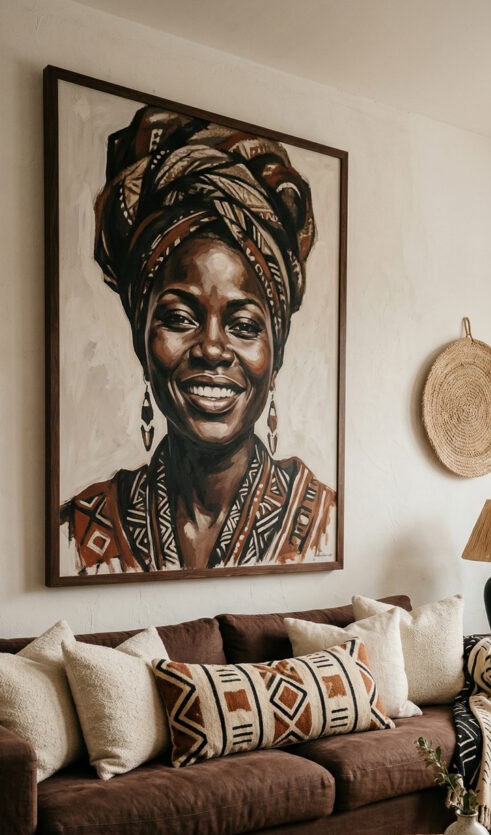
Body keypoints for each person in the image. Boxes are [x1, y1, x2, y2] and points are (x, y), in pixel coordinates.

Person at [61, 107, 335, 574]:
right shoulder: (78, 532)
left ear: (277, 352)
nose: (212, 348)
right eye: (180, 317)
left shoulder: (325, 522)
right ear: (141, 337)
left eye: (244, 325)